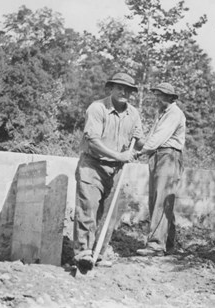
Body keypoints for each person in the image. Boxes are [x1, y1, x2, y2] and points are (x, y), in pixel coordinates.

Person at [73, 72, 144, 269]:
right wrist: (118, 156)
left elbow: (140, 147)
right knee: (88, 208)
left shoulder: (134, 114)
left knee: (110, 214)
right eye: (119, 87)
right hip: (92, 165)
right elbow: (93, 141)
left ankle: (98, 253)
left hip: (116, 171)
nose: (124, 92)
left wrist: (139, 141)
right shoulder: (97, 108)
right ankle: (83, 254)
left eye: (128, 89)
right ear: (110, 88)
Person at [134, 83, 186, 257]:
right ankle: (168, 245)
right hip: (158, 155)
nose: (157, 98)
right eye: (156, 95)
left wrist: (140, 152)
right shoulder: (161, 114)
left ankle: (156, 245)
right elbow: (151, 138)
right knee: (159, 199)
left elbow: (159, 137)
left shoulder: (174, 113)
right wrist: (138, 140)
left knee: (161, 201)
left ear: (171, 98)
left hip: (169, 156)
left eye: (161, 95)